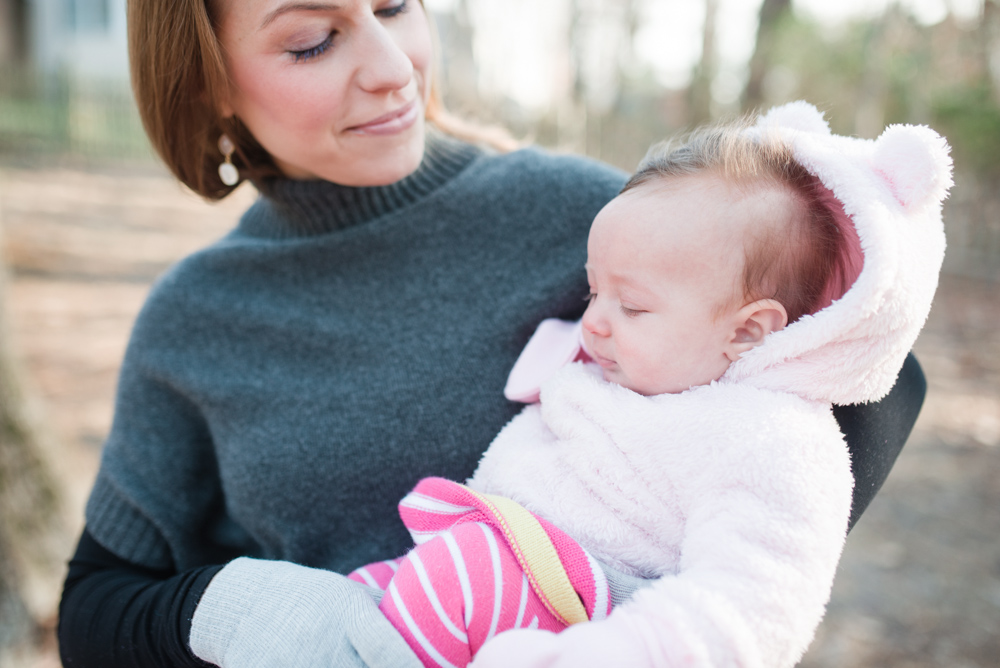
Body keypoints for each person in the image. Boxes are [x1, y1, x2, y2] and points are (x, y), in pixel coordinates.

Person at [55, 1, 928, 666]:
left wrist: (663, 614)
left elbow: (878, 372)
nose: (394, 67)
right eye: (313, 40)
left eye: (395, 3)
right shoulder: (196, 319)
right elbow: (97, 606)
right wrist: (240, 611)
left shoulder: (589, 222)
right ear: (207, 77)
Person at [344, 103, 951, 668]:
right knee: (309, 604)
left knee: (440, 587)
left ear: (748, 331)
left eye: (632, 306)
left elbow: (750, 607)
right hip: (472, 564)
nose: (594, 321)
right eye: (592, 290)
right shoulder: (619, 368)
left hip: (576, 614)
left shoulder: (775, 441)